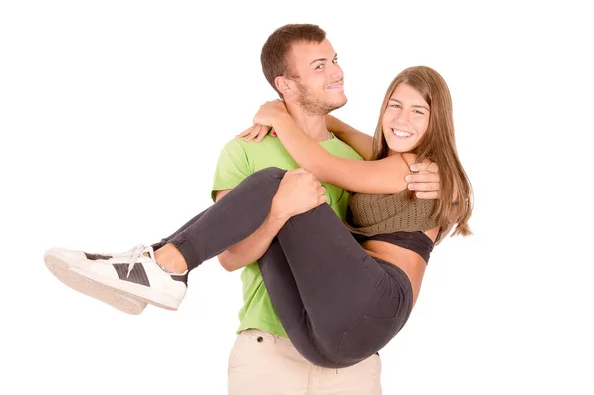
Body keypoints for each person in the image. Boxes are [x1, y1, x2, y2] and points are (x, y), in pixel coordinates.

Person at [44, 24, 459, 394]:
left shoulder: (405, 167)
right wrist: (279, 207)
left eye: (335, 60)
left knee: (283, 180)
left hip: (366, 328)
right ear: (287, 84)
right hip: (305, 340)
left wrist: (280, 118)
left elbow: (324, 165)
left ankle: (165, 264)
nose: (336, 71)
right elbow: (231, 257)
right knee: (276, 196)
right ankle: (158, 266)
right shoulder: (248, 150)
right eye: (320, 65)